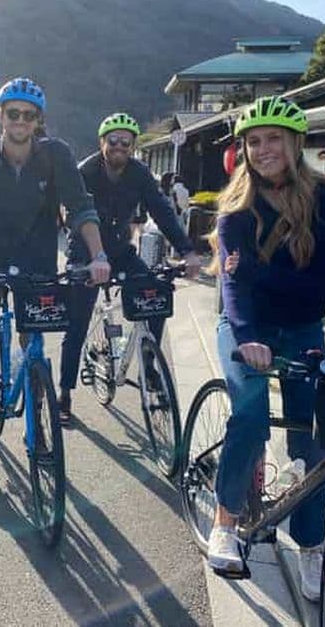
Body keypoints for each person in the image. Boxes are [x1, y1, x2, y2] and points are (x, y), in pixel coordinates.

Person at [206, 96, 325, 602]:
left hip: (303, 328)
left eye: (273, 138)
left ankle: (311, 546)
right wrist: (247, 334)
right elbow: (234, 292)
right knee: (249, 413)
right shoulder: (236, 212)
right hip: (248, 325)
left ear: (296, 143)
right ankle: (225, 520)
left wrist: (253, 270)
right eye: (253, 141)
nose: (263, 148)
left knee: (312, 438)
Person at [0, 76, 110, 454]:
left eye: (29, 115)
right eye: (13, 114)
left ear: (38, 120)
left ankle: (36, 421)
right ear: (0, 116)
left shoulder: (56, 154)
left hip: (37, 261)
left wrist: (99, 255)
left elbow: (80, 206)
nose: (20, 121)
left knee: (34, 342)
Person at [59, 113, 201, 424]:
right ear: (102, 143)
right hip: (85, 253)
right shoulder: (85, 171)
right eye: (113, 141)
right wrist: (88, 261)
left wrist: (187, 250)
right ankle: (65, 393)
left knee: (156, 296)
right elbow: (73, 214)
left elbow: (162, 211)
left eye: (126, 142)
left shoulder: (139, 173)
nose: (119, 146)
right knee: (77, 324)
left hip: (122, 251)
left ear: (133, 145)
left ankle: (150, 368)